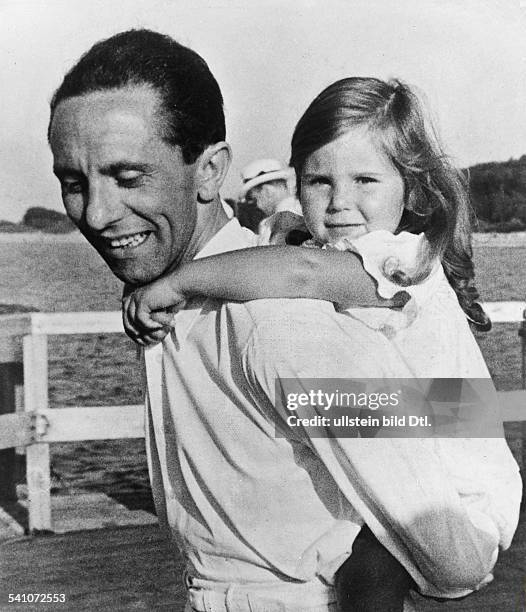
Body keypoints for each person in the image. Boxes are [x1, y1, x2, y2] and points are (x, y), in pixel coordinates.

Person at [48, 30, 520, 611]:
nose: (95, 213)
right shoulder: (244, 285)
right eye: (73, 183)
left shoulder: (281, 320)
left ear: (209, 171)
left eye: (128, 177)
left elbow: (445, 543)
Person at [239, 158, 303, 244]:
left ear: (267, 191)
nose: (257, 206)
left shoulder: (282, 220)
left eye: (254, 199)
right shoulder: (303, 211)